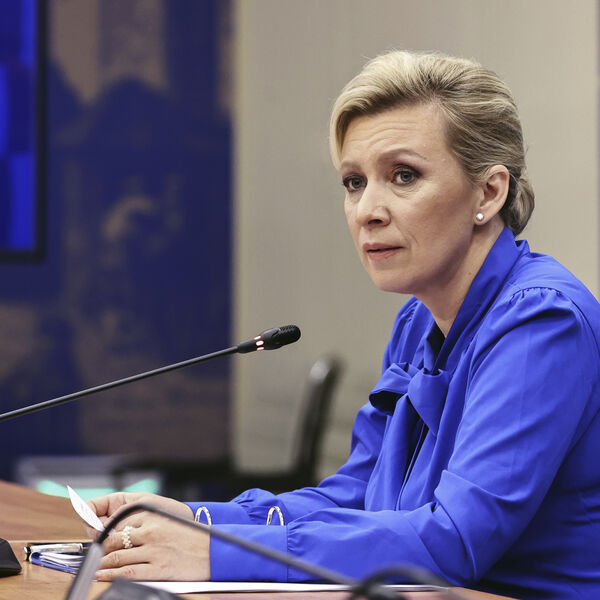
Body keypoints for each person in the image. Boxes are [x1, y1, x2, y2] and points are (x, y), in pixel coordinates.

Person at [86, 51, 600, 599]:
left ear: (489, 192)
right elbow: (355, 495)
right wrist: (198, 520)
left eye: (404, 176)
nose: (367, 211)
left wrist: (215, 552)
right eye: (354, 182)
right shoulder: (418, 320)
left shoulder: (542, 322)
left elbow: (453, 541)